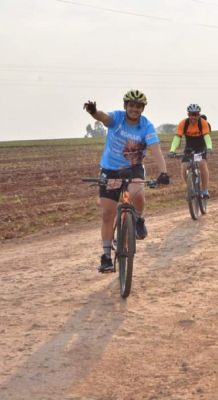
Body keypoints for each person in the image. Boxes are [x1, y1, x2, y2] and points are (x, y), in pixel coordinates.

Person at [83, 89, 170, 272]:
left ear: (142, 109)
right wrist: (93, 112)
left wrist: (163, 172)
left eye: (138, 106)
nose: (134, 109)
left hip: (133, 168)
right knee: (108, 213)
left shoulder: (146, 126)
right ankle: (106, 256)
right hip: (110, 169)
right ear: (125, 106)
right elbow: (104, 118)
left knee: (137, 190)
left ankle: (137, 219)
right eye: (131, 105)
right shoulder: (118, 118)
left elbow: (155, 150)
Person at [169, 104, 213, 198]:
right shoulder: (183, 123)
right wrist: (172, 150)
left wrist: (209, 147)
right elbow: (177, 138)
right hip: (189, 148)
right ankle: (190, 188)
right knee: (184, 167)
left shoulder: (203, 123)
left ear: (199, 114)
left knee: (202, 164)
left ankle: (205, 190)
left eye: (196, 114)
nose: (193, 117)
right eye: (191, 114)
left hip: (201, 147)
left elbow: (207, 137)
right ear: (188, 114)